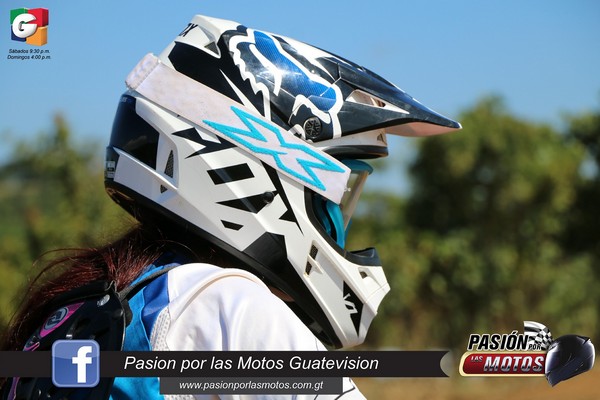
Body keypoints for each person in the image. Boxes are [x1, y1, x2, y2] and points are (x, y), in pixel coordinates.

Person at [1, 14, 460, 399]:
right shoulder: (230, 306)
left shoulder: (88, 307)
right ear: (265, 166)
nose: (337, 222)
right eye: (333, 200)